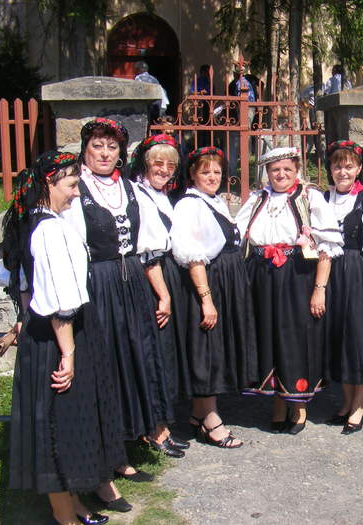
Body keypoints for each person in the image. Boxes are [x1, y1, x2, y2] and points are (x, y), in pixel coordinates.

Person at [62, 118, 186, 496]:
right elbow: (68, 247)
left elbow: (148, 249)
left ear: (121, 153)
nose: (104, 153)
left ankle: (137, 438)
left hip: (131, 281)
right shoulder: (74, 190)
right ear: (86, 149)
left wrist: (162, 294)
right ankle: (111, 454)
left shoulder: (131, 190)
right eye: (98, 146)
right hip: (95, 284)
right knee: (106, 365)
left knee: (136, 356)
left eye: (112, 148)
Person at [2, 151, 126, 525]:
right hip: (59, 337)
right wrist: (69, 354)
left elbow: (23, 286)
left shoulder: (33, 223)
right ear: (47, 185)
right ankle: (64, 516)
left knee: (59, 423)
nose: (76, 193)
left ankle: (72, 504)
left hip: (50, 336)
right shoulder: (50, 229)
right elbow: (59, 304)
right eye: (71, 185)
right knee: (58, 426)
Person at [237, 147, 343, 434]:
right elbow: (239, 237)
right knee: (267, 336)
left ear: (297, 170)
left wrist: (319, 289)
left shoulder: (310, 198)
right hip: (261, 275)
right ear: (266, 173)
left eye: (286, 169)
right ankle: (277, 404)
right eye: (274, 170)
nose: (280, 174)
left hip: (296, 275)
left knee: (294, 337)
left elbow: (327, 248)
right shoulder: (259, 199)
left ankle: (299, 406)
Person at [170, 146, 259, 448]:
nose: (212, 176)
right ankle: (211, 420)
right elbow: (191, 255)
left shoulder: (213, 201)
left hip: (225, 282)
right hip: (209, 284)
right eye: (205, 171)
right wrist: (206, 299)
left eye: (217, 171)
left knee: (216, 347)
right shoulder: (189, 205)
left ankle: (198, 414)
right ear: (192, 174)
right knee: (207, 351)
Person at [127, 133, 193, 457]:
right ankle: (155, 430)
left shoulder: (159, 195)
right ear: (145, 163)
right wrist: (164, 295)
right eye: (158, 162)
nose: (164, 169)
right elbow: (147, 254)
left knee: (164, 354)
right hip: (152, 280)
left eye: (170, 164)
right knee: (154, 354)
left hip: (164, 274)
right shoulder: (139, 196)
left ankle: (162, 426)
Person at [323, 140, 363, 434]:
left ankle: (359, 405)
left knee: (359, 339)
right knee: (338, 337)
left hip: (358, 273)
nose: (343, 171)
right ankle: (346, 402)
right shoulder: (324, 198)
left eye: (349, 165)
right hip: (331, 274)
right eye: (338, 165)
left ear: (360, 168)